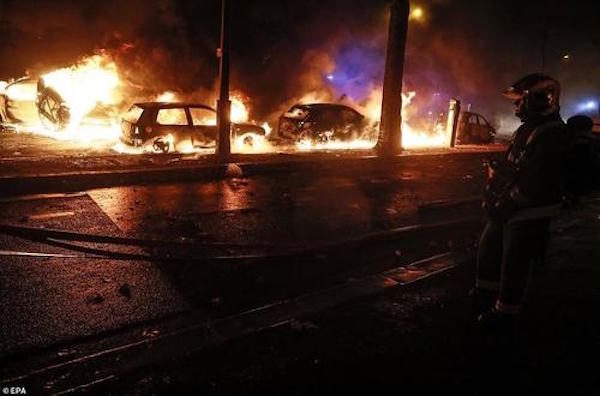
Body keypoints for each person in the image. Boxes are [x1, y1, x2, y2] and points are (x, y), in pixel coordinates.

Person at [474, 73, 569, 325]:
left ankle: (506, 313)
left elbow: (537, 182)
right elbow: (515, 164)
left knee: (515, 260)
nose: (516, 106)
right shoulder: (528, 129)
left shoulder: (553, 134)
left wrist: (506, 205)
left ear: (539, 100)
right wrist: (497, 177)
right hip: (513, 205)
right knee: (490, 246)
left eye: (520, 101)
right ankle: (486, 293)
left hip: (531, 210)